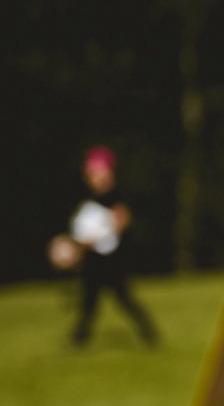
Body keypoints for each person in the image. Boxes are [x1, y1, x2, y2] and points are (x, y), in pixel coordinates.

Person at [61, 147, 158, 347]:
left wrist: (96, 236)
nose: (94, 178)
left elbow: (121, 221)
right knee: (88, 302)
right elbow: (80, 227)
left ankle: (149, 334)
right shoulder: (86, 199)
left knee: (124, 298)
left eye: (98, 173)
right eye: (91, 174)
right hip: (92, 260)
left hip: (112, 260)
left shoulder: (116, 195)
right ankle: (79, 339)